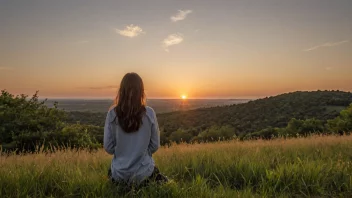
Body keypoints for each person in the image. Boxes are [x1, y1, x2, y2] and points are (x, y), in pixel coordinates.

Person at [104, 72, 168, 187]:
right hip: (144, 173)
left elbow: (108, 148)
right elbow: (154, 146)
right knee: (166, 183)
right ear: (141, 91)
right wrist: (140, 152)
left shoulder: (112, 114)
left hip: (118, 175)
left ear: (121, 91)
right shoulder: (149, 113)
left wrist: (123, 152)